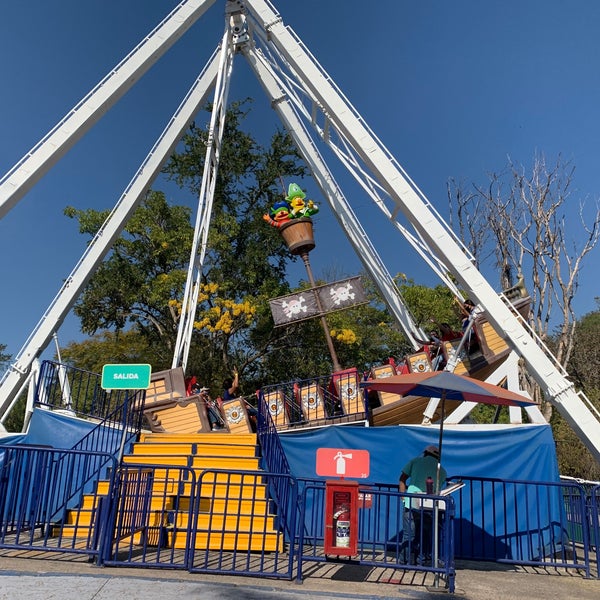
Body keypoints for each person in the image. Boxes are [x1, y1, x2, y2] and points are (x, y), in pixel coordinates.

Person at [398, 445, 447, 564]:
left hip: (411, 503)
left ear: (425, 453)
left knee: (408, 535)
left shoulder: (415, 462)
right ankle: (421, 560)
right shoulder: (442, 470)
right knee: (424, 535)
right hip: (429, 506)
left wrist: (403, 497)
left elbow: (402, 479)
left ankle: (405, 561)